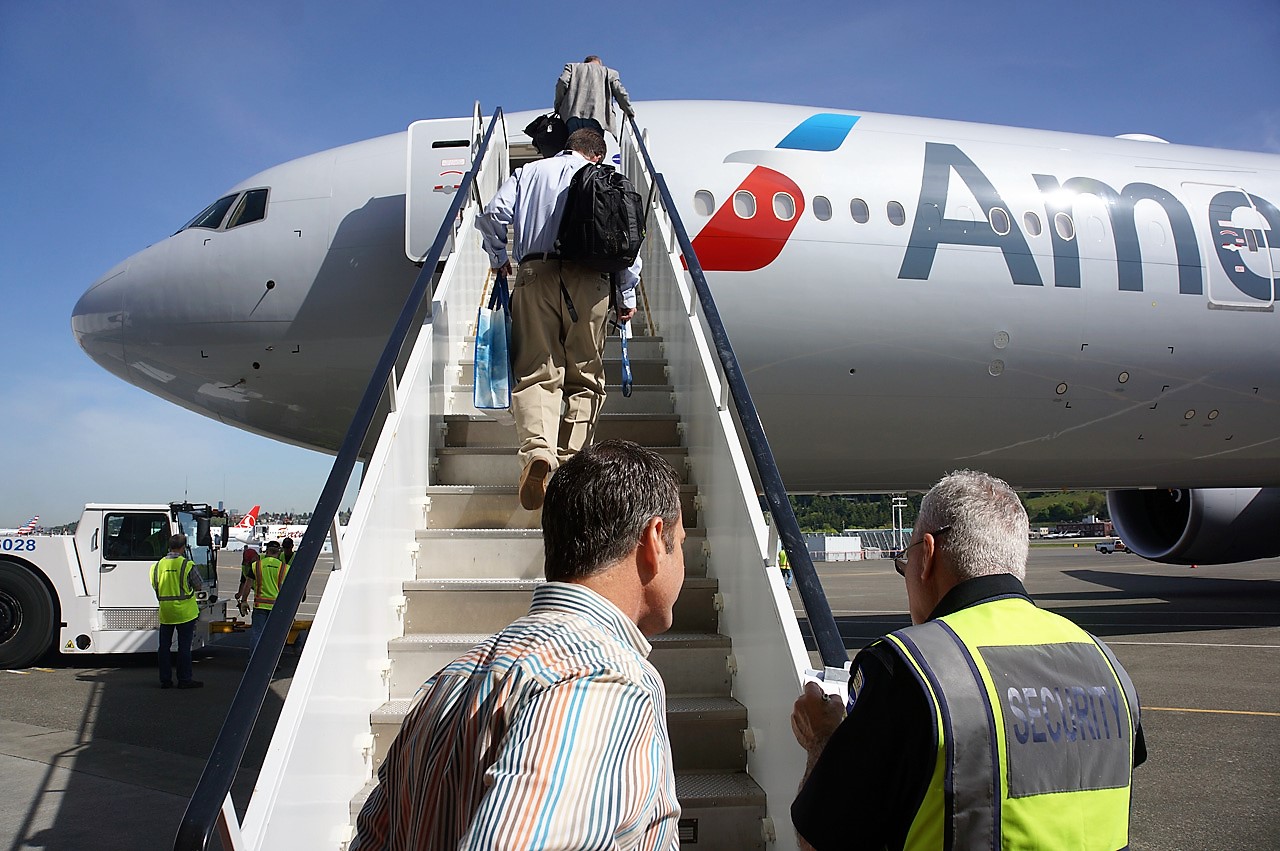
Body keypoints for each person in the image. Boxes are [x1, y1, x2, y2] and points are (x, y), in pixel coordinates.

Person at [351, 440, 686, 850]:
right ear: (654, 540)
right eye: (681, 542)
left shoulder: (447, 682)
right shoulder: (603, 679)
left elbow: (373, 838)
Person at [791, 470, 1146, 850]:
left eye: (904, 562)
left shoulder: (908, 667)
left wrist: (822, 739)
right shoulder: (1104, 660)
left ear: (926, 556)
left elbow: (822, 840)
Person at [476, 128, 639, 510]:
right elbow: (629, 244)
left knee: (537, 371)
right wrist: (626, 296)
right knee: (584, 378)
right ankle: (570, 465)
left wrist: (499, 258)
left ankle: (538, 452)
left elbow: (492, 216)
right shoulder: (607, 180)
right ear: (596, 155)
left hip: (536, 275)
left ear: (569, 147)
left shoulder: (530, 173)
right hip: (591, 283)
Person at [150, 533, 204, 689]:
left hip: (166, 612)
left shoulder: (157, 566)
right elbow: (198, 585)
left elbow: (155, 585)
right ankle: (184, 679)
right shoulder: (187, 564)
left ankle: (165, 680)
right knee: (184, 647)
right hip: (185, 613)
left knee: (164, 648)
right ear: (183, 547)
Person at [555, 55, 635, 138]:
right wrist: (629, 111)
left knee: (574, 145)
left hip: (573, 115)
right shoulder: (609, 73)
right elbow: (620, 93)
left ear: (585, 62)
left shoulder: (572, 67)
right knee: (593, 147)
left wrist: (558, 105)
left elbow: (562, 82)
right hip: (597, 117)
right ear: (600, 63)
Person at [248, 540, 288, 651]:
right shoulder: (285, 568)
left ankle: (254, 661)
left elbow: (248, 584)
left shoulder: (256, 565)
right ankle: (271, 663)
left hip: (260, 605)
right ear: (279, 552)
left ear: (266, 551)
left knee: (257, 634)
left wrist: (243, 600)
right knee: (274, 636)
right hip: (276, 606)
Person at [235, 546, 258, 618]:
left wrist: (244, 600)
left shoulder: (262, 563)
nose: (249, 564)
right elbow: (244, 581)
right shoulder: (245, 566)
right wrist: (240, 594)